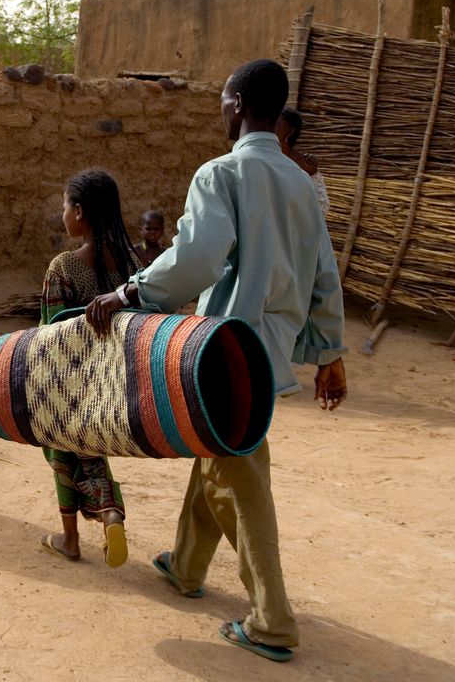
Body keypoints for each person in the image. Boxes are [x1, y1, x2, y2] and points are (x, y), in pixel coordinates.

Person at [85, 59, 348, 662]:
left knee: (241, 474)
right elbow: (323, 275)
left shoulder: (221, 173)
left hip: (226, 347)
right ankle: (184, 564)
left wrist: (128, 293)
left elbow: (198, 259)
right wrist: (329, 353)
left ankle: (271, 621)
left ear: (235, 104)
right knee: (219, 450)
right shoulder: (305, 183)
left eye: (223, 101)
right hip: (271, 349)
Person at [39, 169, 142, 568]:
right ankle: (110, 513)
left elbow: (48, 336)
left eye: (64, 206)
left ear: (79, 211)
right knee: (93, 450)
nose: (62, 214)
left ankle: (69, 538)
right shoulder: (132, 268)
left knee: (62, 451)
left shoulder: (63, 267)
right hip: (115, 383)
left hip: (68, 381)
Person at [276, 107, 331, 217]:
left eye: (275, 124)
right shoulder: (260, 155)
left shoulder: (304, 165)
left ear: (290, 132)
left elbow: (321, 207)